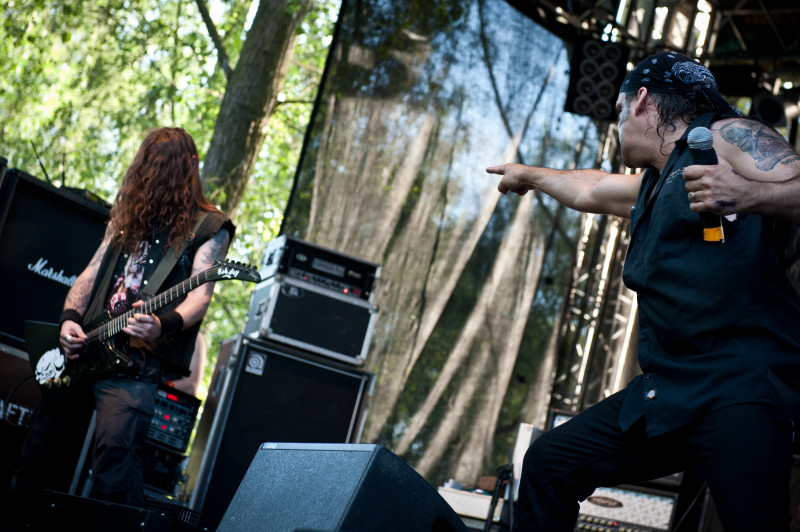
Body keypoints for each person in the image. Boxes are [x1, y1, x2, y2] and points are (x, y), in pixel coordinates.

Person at [486, 51, 800, 531]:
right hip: (673, 390)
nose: (617, 126)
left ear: (641, 102)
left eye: (617, 111)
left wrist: (746, 193)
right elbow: (591, 190)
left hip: (740, 387)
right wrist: (529, 175)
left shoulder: (729, 136)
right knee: (550, 464)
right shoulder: (658, 180)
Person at [9, 127, 235, 518]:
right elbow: (93, 272)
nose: (154, 179)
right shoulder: (130, 213)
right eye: (149, 169)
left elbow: (201, 295)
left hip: (136, 362)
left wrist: (162, 324)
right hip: (87, 347)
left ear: (188, 169)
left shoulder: (209, 227)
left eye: (164, 170)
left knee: (115, 460)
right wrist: (67, 320)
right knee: (40, 449)